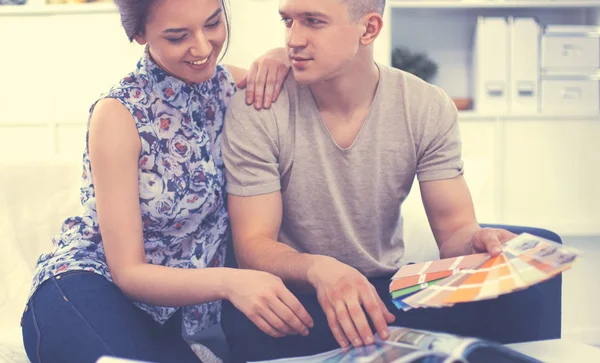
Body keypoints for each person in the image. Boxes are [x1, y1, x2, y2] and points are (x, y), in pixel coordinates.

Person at [220, 0, 559, 362]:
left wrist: (478, 241)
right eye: (288, 21)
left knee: (524, 294)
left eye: (313, 22)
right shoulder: (259, 105)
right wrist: (319, 269)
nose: (294, 39)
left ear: (368, 29)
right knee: (255, 323)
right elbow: (254, 246)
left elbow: (454, 230)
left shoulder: (425, 105)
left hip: (383, 291)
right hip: (298, 297)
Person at [20, 0, 315, 362]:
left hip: (172, 320)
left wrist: (279, 58)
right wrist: (232, 281)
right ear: (139, 34)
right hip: (85, 289)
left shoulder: (233, 88)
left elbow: (299, 75)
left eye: (212, 24)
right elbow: (128, 272)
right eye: (177, 37)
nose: (203, 48)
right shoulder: (118, 113)